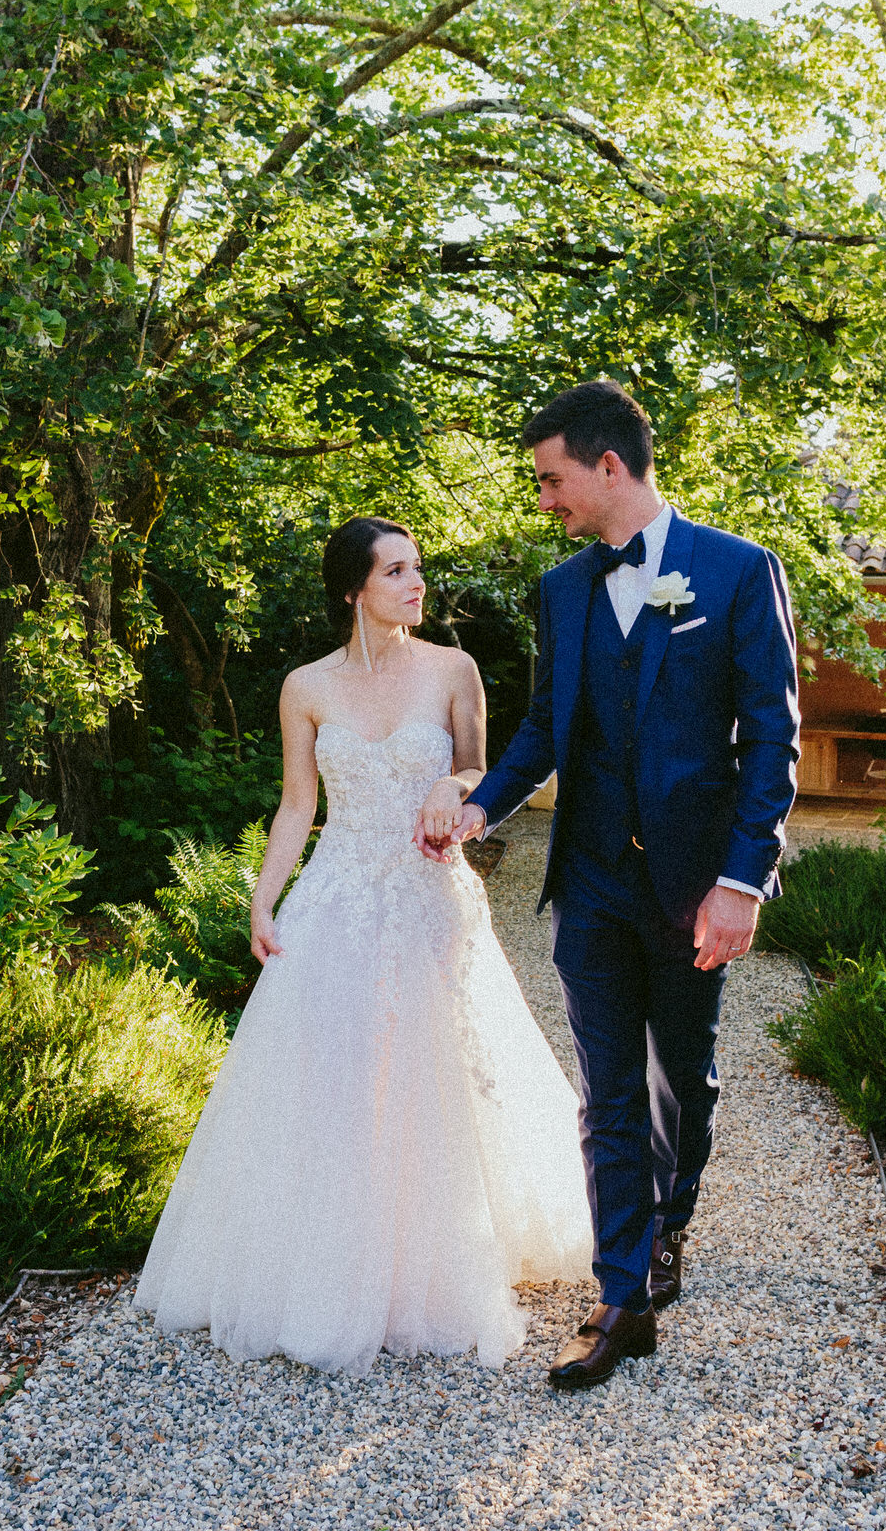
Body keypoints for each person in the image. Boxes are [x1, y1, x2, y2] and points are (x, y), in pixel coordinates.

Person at [134, 516, 593, 1374]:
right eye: (395, 572)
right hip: (338, 899)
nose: (417, 584)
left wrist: (450, 791)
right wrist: (262, 903)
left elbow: (482, 774)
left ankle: (437, 1259)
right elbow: (298, 805)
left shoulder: (454, 670)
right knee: (337, 1078)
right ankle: (333, 1264)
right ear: (353, 589)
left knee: (434, 1076)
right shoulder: (305, 686)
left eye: (419, 568)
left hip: (429, 896)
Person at [425, 379, 801, 1391]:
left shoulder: (737, 572)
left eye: (551, 479)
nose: (544, 500)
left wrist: (741, 881)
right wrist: (479, 806)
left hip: (693, 885)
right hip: (589, 881)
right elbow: (547, 727)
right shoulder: (563, 590)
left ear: (607, 465)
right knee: (607, 1091)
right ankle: (621, 1294)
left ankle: (670, 1220)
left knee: (687, 1075)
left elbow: (772, 743)